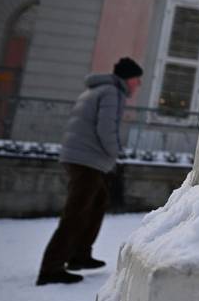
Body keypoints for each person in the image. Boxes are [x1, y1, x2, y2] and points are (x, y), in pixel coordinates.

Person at [36, 57, 143, 286]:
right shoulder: (112, 93)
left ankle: (80, 255)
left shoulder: (99, 90)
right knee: (76, 212)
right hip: (86, 161)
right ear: (128, 78)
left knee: (97, 203)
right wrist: (116, 153)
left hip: (82, 158)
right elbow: (106, 128)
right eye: (137, 79)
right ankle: (51, 268)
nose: (138, 84)